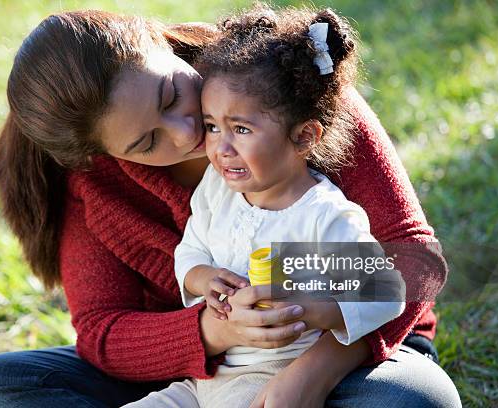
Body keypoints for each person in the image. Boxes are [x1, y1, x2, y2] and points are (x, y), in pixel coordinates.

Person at [0, 5, 461, 407]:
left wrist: (315, 373)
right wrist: (213, 330)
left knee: (416, 399)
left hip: (347, 354)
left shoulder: (285, 82)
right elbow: (104, 333)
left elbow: (412, 261)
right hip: (194, 379)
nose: (187, 130)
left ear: (159, 41)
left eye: (172, 94)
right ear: (99, 155)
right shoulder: (95, 182)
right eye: (147, 143)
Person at [124, 7, 407, 407]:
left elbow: (384, 291)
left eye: (241, 129)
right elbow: (190, 250)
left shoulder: (323, 217)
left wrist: (312, 309)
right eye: (212, 126)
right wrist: (205, 279)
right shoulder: (216, 190)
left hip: (274, 375)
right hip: (207, 376)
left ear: (304, 136)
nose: (220, 148)